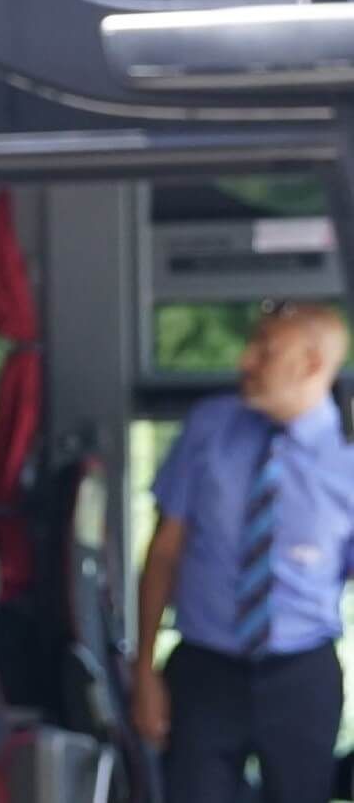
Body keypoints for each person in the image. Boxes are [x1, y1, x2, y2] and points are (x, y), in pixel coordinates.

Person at [132, 300, 354, 803]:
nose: (245, 361)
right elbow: (164, 553)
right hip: (205, 669)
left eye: (265, 351)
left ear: (312, 363)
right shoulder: (210, 427)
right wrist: (143, 669)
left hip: (301, 675)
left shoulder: (347, 460)